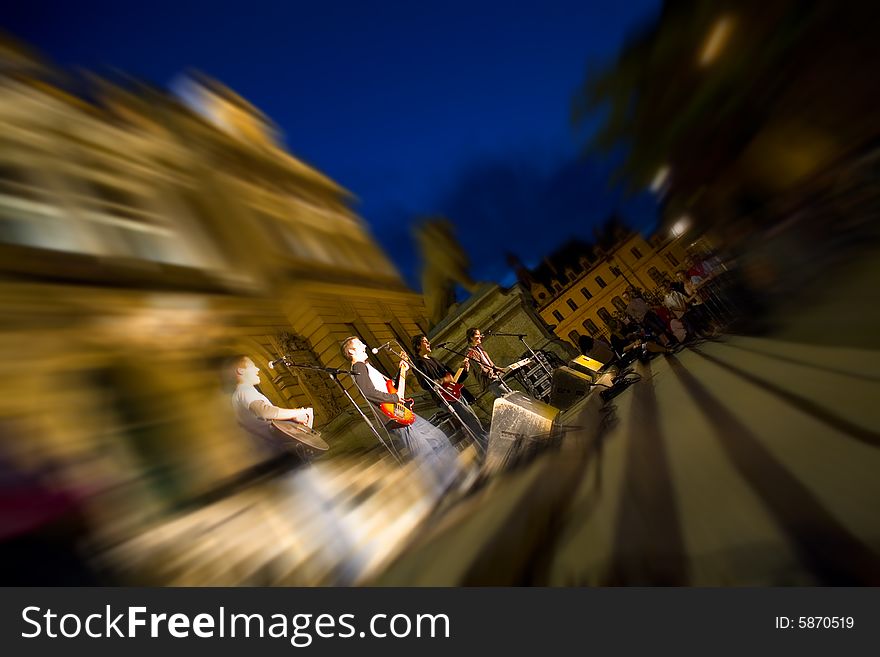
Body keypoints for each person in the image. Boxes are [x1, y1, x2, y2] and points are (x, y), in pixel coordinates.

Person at [340, 337, 458, 491]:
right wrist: (395, 397)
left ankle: (453, 476)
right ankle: (444, 488)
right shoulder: (358, 367)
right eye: (359, 344)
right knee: (425, 452)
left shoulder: (367, 366)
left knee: (438, 438)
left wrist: (402, 371)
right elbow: (368, 392)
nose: (364, 344)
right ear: (351, 351)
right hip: (393, 417)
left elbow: (390, 387)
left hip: (400, 411)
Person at [411, 334, 488, 452]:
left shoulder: (434, 360)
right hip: (446, 399)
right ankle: (487, 446)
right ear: (417, 346)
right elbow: (425, 384)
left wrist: (465, 370)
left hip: (456, 394)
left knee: (472, 420)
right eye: (425, 342)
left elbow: (454, 379)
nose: (428, 343)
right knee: (471, 421)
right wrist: (443, 380)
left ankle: (483, 449)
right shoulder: (419, 364)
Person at [229, 355, 314, 459]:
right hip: (275, 454)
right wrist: (298, 412)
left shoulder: (240, 394)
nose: (257, 369)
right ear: (241, 371)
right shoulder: (245, 391)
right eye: (253, 366)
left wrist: (291, 417)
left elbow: (265, 420)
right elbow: (265, 412)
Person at [465, 328, 511, 398]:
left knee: (511, 395)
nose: (480, 336)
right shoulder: (470, 352)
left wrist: (504, 370)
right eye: (477, 335)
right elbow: (480, 370)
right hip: (490, 381)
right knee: (508, 398)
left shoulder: (479, 347)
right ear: (471, 338)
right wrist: (493, 374)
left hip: (495, 377)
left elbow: (491, 365)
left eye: (480, 334)